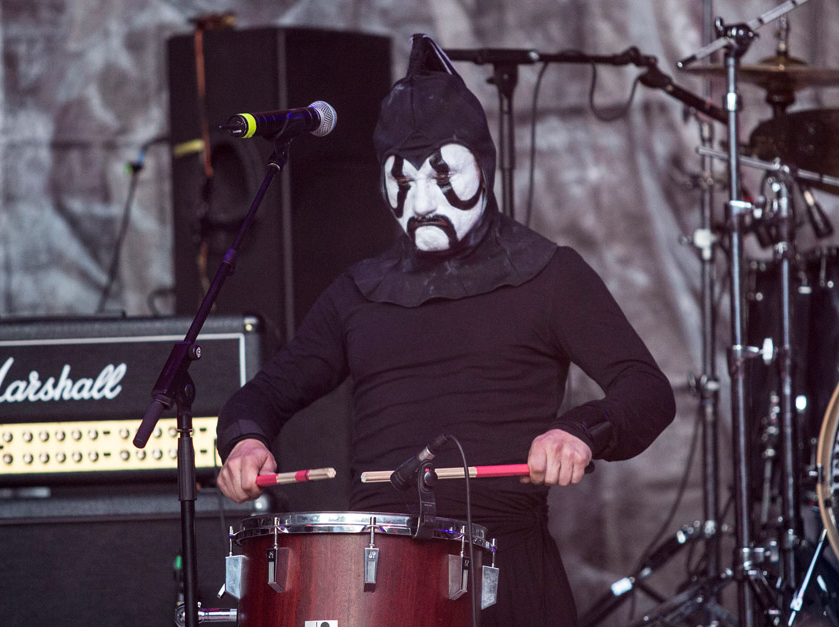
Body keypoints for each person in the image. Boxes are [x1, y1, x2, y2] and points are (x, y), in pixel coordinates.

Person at [215, 33, 676, 627]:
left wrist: (579, 432)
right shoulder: (360, 290)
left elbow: (647, 390)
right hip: (373, 583)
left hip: (507, 570)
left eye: (441, 173)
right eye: (400, 180)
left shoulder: (549, 273)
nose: (422, 198)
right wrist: (245, 440)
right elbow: (266, 393)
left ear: (480, 164)